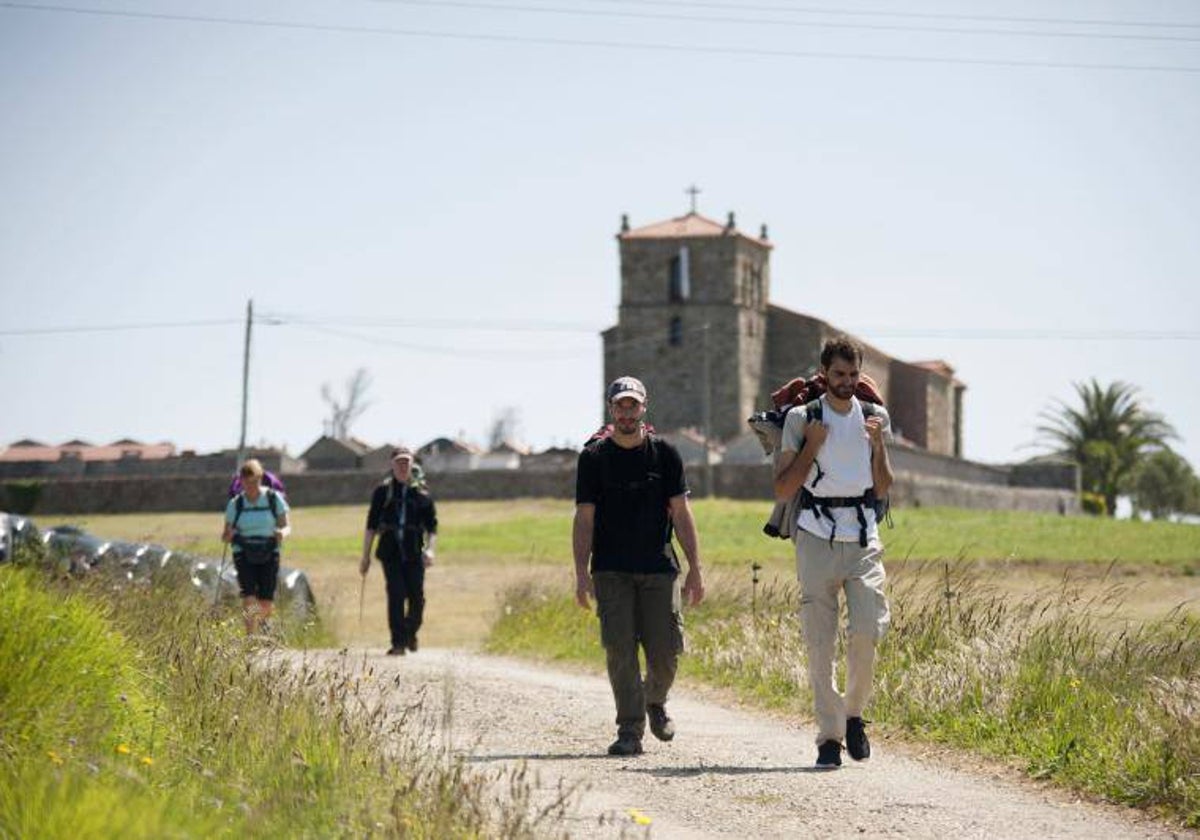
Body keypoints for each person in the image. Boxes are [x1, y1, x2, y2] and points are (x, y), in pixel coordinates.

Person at [773, 336, 894, 769]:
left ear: (861, 375)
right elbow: (785, 488)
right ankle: (829, 737)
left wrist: (878, 445)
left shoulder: (875, 418)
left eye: (853, 375)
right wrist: (812, 445)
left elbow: (883, 487)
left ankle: (854, 715)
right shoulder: (803, 418)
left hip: (862, 538)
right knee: (820, 643)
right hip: (814, 537)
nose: (845, 383)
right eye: (838, 375)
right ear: (824, 374)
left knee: (867, 630)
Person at [574, 375, 705, 757]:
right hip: (610, 568)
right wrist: (581, 573)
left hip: (659, 568)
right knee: (619, 649)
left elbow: (681, 513)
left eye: (633, 404)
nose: (626, 412)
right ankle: (629, 729)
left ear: (643, 407)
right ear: (611, 409)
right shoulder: (593, 459)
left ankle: (655, 701)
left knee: (666, 651)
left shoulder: (665, 454)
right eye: (620, 405)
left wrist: (696, 567)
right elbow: (584, 518)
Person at [360, 447, 438, 655]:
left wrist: (430, 551)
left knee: (417, 598)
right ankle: (398, 643)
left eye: (407, 462)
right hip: (390, 552)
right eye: (399, 462)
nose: (403, 466)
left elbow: (432, 528)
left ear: (412, 465)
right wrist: (365, 557)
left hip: (414, 552)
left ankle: (410, 633)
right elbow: (371, 526)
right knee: (396, 594)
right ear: (392, 465)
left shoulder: (422, 494)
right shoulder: (382, 493)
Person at [221, 458, 291, 635]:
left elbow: (286, 526)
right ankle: (250, 637)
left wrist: (282, 533)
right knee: (249, 596)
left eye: (254, 481)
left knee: (266, 601)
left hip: (270, 550)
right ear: (241, 482)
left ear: (260, 479)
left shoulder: (273, 499)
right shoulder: (235, 504)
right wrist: (228, 536)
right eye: (246, 482)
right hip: (243, 552)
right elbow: (225, 534)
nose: (250, 486)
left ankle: (264, 626)